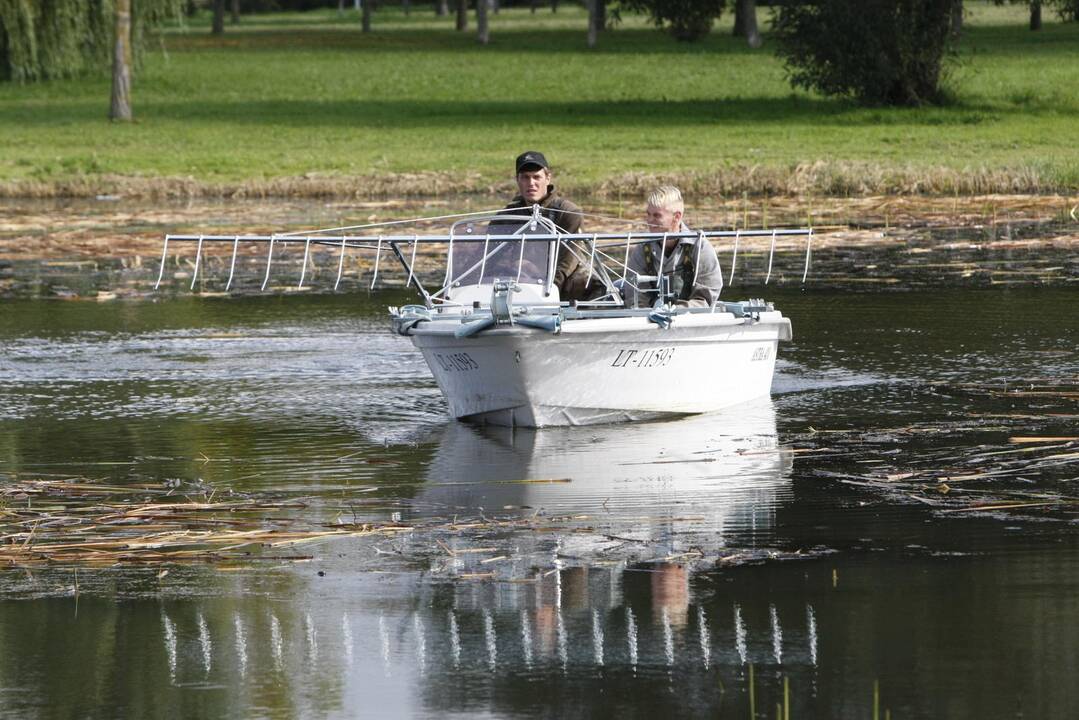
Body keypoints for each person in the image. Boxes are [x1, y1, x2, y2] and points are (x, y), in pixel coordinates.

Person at [486, 151, 593, 301]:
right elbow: (487, 258)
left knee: (582, 277)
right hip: (519, 283)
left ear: (548, 178)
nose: (531, 183)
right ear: (517, 180)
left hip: (562, 288)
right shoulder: (505, 217)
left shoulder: (568, 212)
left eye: (536, 177)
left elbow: (567, 261)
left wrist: (548, 292)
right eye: (525, 177)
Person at [622, 185, 723, 309]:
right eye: (648, 214)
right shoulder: (642, 250)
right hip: (649, 320)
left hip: (691, 320)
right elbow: (635, 298)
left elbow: (706, 298)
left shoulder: (700, 247)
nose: (649, 220)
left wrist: (675, 311)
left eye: (656, 216)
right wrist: (650, 315)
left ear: (677, 217)